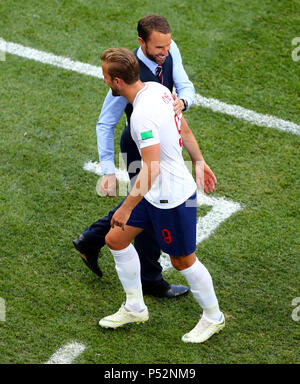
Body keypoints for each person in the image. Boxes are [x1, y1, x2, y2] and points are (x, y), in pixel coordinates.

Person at [98, 48, 225, 343]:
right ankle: (134, 307)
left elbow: (152, 168)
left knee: (183, 261)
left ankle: (213, 317)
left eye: (105, 76)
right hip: (154, 193)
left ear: (117, 81)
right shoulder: (156, 89)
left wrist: (127, 207)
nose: (103, 80)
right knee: (115, 238)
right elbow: (183, 126)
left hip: (171, 197)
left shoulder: (141, 116)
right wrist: (198, 159)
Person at [73, 15, 202, 298]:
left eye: (167, 46)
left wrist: (184, 101)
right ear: (141, 42)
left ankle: (91, 239)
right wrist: (108, 170)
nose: (164, 52)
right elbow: (105, 123)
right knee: (148, 204)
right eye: (158, 48)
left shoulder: (168, 48)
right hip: (138, 147)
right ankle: (150, 279)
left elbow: (184, 83)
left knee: (141, 202)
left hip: (161, 140)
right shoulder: (124, 76)